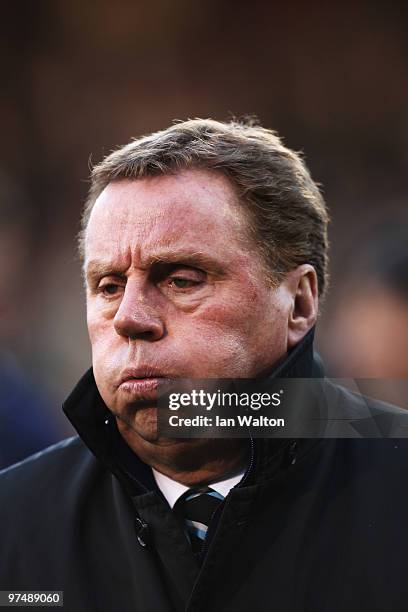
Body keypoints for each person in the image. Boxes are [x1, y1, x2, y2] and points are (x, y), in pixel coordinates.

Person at [1, 118, 408, 612]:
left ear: (299, 304)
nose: (128, 318)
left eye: (181, 280)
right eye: (108, 286)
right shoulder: (15, 522)